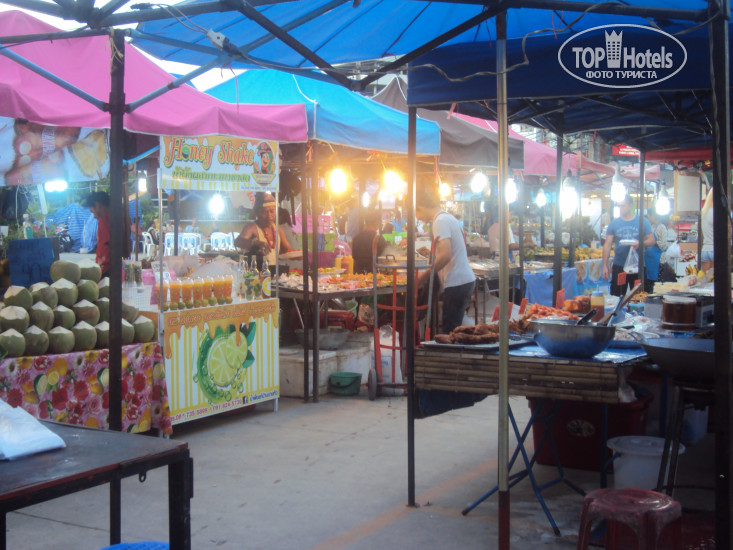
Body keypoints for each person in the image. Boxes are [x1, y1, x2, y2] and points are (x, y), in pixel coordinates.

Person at [416, 193, 475, 333]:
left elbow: (445, 254)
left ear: (420, 208)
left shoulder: (440, 221)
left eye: (416, 213)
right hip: (461, 281)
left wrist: (423, 276)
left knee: (449, 333)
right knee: (452, 330)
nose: (417, 218)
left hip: (457, 282)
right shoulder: (446, 217)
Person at [602, 194, 654, 296]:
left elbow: (651, 240)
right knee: (617, 296)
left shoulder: (642, 221)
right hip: (619, 265)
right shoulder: (614, 223)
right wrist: (605, 265)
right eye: (619, 206)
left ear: (630, 206)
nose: (620, 208)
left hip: (638, 265)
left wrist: (640, 243)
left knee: (638, 296)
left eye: (623, 206)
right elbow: (607, 244)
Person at [234, 193, 299, 264]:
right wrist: (255, 243)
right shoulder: (251, 227)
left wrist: (298, 255)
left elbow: (288, 249)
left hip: (273, 269)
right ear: (257, 213)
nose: (269, 215)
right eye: (264, 212)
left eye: (272, 211)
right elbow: (237, 242)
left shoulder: (278, 228)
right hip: (255, 269)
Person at [83, 191, 110, 277]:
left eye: (93, 212)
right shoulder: (115, 216)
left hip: (106, 268)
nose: (94, 216)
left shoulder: (104, 219)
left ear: (97, 205)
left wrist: (102, 261)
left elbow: (107, 243)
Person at [352, 210, 387, 274]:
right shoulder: (379, 239)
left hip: (358, 275)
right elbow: (384, 258)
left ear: (366, 222)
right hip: (375, 275)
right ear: (377, 222)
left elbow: (354, 257)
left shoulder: (356, 238)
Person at [643, 211, 668, 293]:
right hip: (648, 261)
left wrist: (653, 242)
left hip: (658, 261)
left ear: (653, 216)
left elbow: (664, 245)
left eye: (649, 216)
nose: (648, 219)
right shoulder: (650, 228)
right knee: (647, 287)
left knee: (656, 288)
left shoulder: (661, 227)